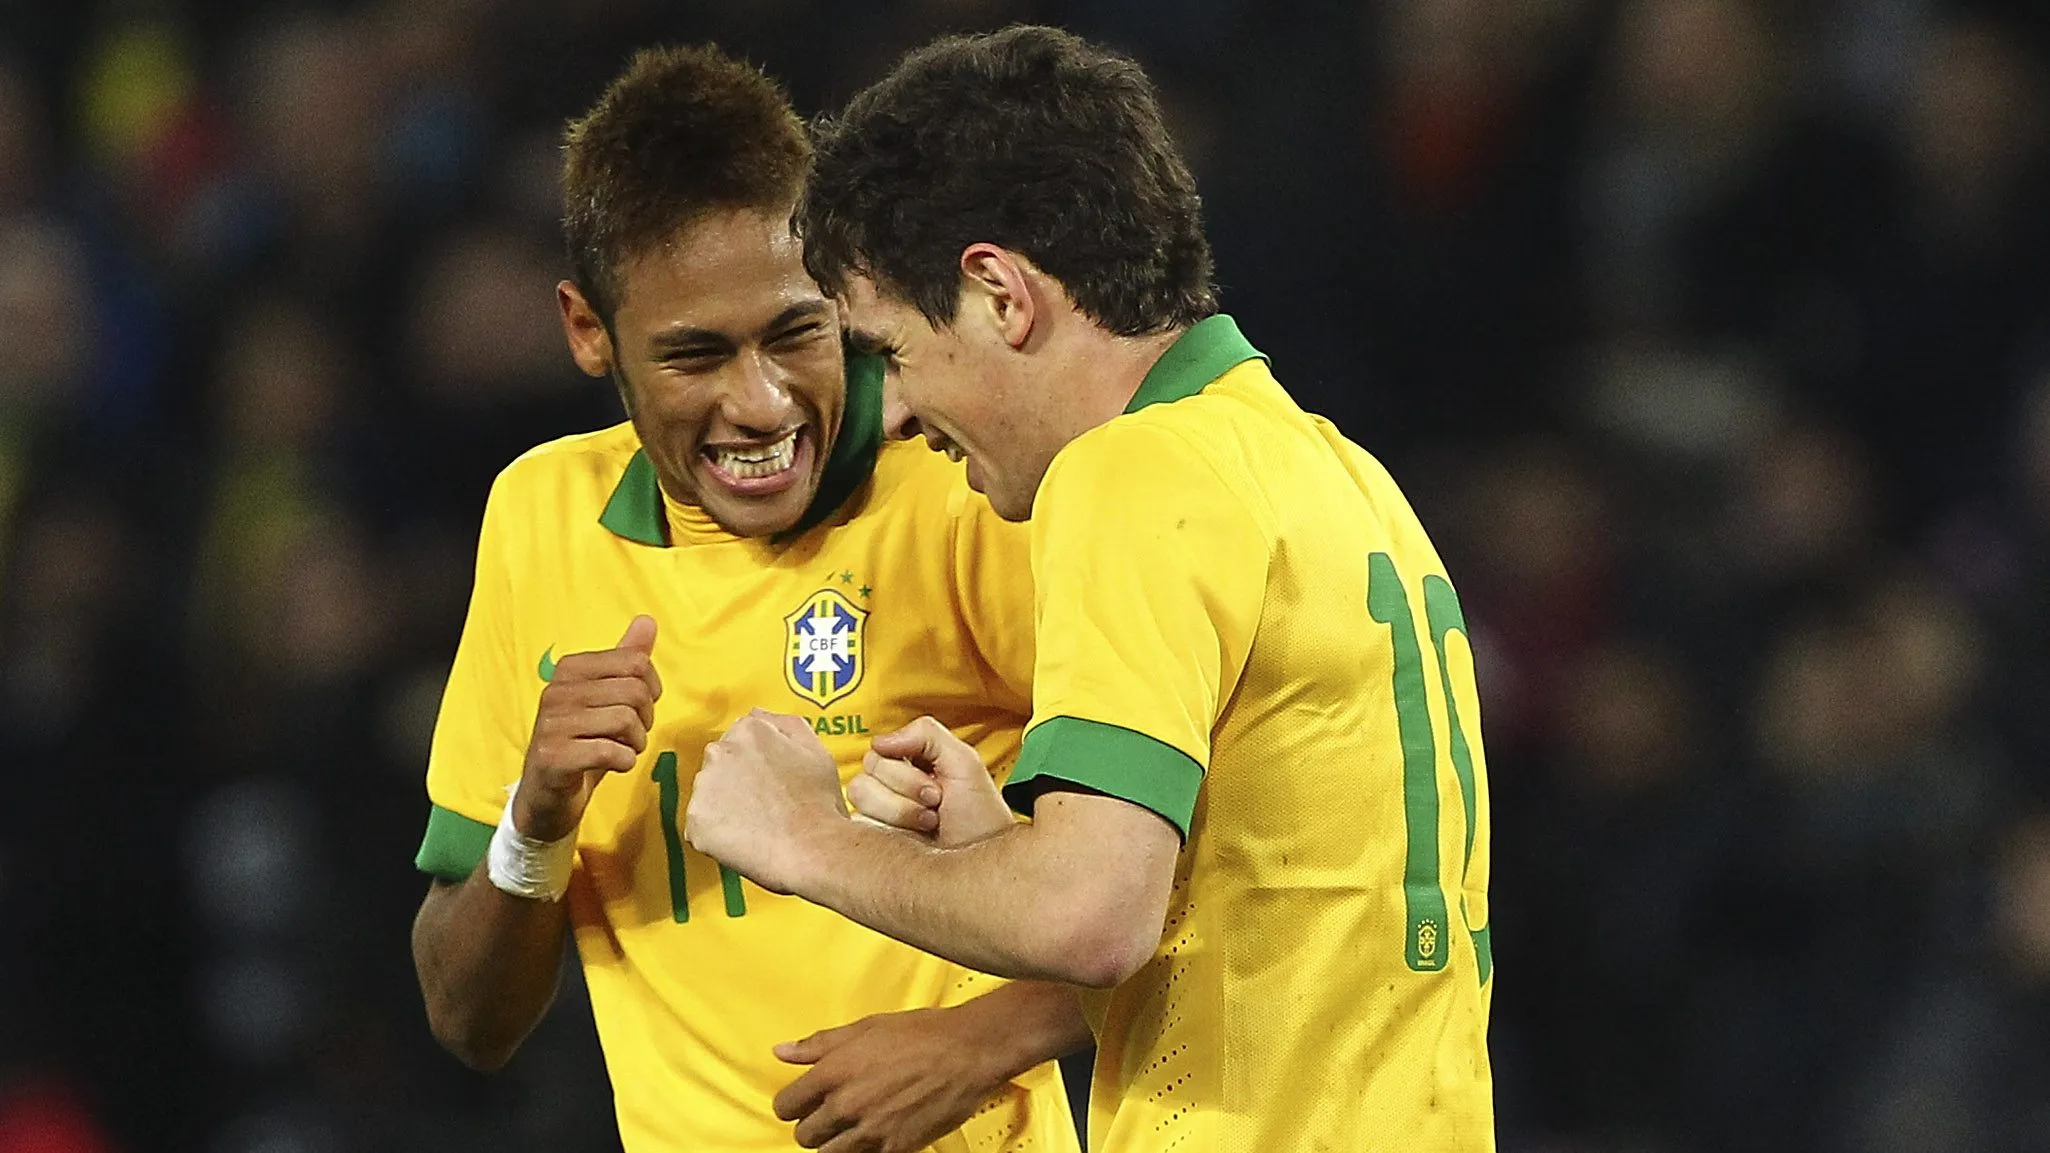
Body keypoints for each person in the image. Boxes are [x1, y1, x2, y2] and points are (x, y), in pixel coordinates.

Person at [683, 24, 1496, 1152]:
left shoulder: (1131, 474)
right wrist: (994, 846)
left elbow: (1086, 916)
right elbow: (1274, 892)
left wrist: (804, 837)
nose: (901, 416)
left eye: (893, 352)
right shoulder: (1331, 470)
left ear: (1000, 293)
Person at [406, 44, 1088, 1153]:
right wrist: (536, 818)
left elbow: (1199, 882)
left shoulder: (964, 485)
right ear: (589, 332)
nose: (761, 402)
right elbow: (467, 1017)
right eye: (695, 356)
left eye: (793, 332)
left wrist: (977, 1043)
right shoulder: (541, 518)